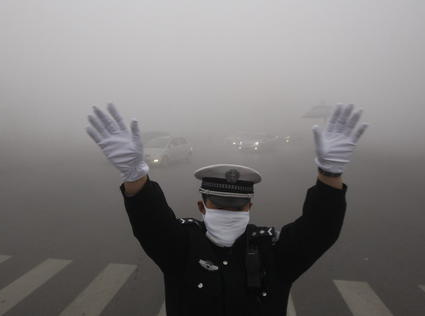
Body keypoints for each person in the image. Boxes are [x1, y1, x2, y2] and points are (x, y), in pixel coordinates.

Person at [85, 103, 368, 316]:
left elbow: (320, 229)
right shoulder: (182, 246)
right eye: (219, 204)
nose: (229, 211)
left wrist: (330, 174)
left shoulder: (273, 250)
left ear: (249, 207)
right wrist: (135, 176)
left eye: (236, 205)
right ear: (202, 207)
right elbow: (151, 222)